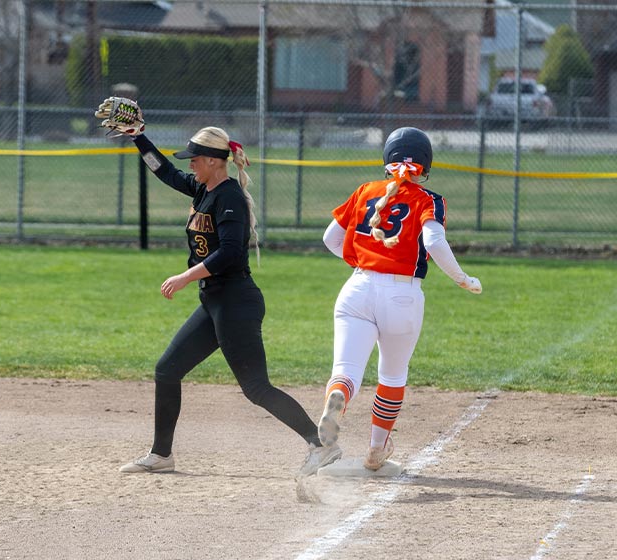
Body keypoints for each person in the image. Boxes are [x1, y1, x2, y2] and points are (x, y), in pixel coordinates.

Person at [118, 123, 341, 477]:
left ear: (212, 161)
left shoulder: (229, 197)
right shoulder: (203, 189)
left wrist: (184, 277)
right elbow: (166, 173)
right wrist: (138, 137)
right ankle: (162, 455)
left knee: (256, 387)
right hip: (215, 302)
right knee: (167, 370)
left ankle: (320, 444)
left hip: (236, 302)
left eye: (195, 159)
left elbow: (231, 253)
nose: (190, 164)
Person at [316, 127, 482, 471]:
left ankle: (338, 400)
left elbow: (331, 239)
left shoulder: (365, 191)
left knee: (346, 371)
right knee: (392, 375)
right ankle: (376, 450)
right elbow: (434, 243)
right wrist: (462, 279)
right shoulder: (428, 199)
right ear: (426, 164)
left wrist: (363, 262)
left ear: (387, 160)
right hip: (402, 295)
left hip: (357, 289)